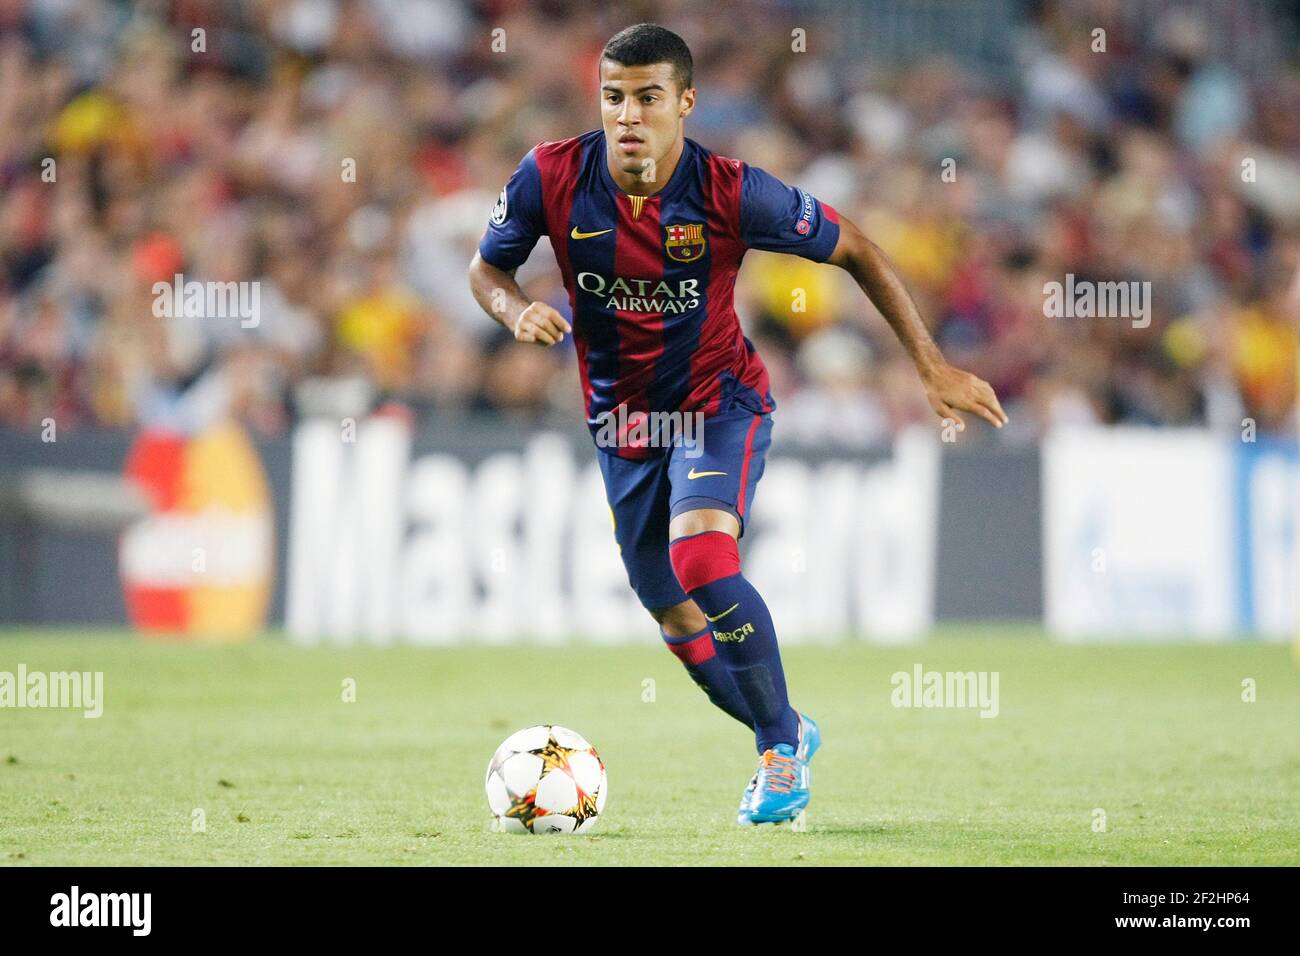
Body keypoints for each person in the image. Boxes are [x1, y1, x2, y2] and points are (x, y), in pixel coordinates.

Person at [468, 23, 1007, 825]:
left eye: (649, 98)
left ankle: (779, 761)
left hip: (718, 406)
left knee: (701, 557)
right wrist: (513, 312)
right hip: (621, 430)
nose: (628, 116)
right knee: (672, 612)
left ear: (685, 101)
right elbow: (487, 269)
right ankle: (786, 729)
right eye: (614, 97)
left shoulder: (728, 191)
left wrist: (929, 364)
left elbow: (854, 245)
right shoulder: (549, 175)